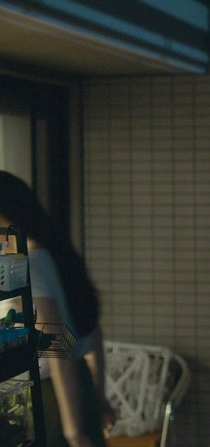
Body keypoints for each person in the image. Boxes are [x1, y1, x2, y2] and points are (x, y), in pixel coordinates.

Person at [0, 171, 116, 447]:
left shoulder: (26, 263)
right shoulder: (52, 254)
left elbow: (55, 342)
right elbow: (91, 332)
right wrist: (97, 395)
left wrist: (73, 430)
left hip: (53, 399)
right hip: (75, 390)